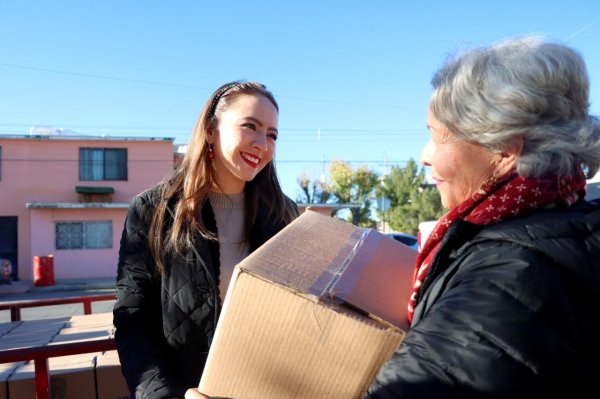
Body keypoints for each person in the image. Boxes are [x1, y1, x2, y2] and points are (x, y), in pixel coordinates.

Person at [367, 37, 600, 398]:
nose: (424, 156)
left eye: (437, 136)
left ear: (504, 150)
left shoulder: (510, 276)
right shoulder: (570, 223)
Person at [113, 81, 298, 399]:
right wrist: (168, 395)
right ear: (211, 130)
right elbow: (133, 319)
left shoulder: (285, 214)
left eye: (272, 135)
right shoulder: (154, 210)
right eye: (249, 127)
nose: (262, 144)